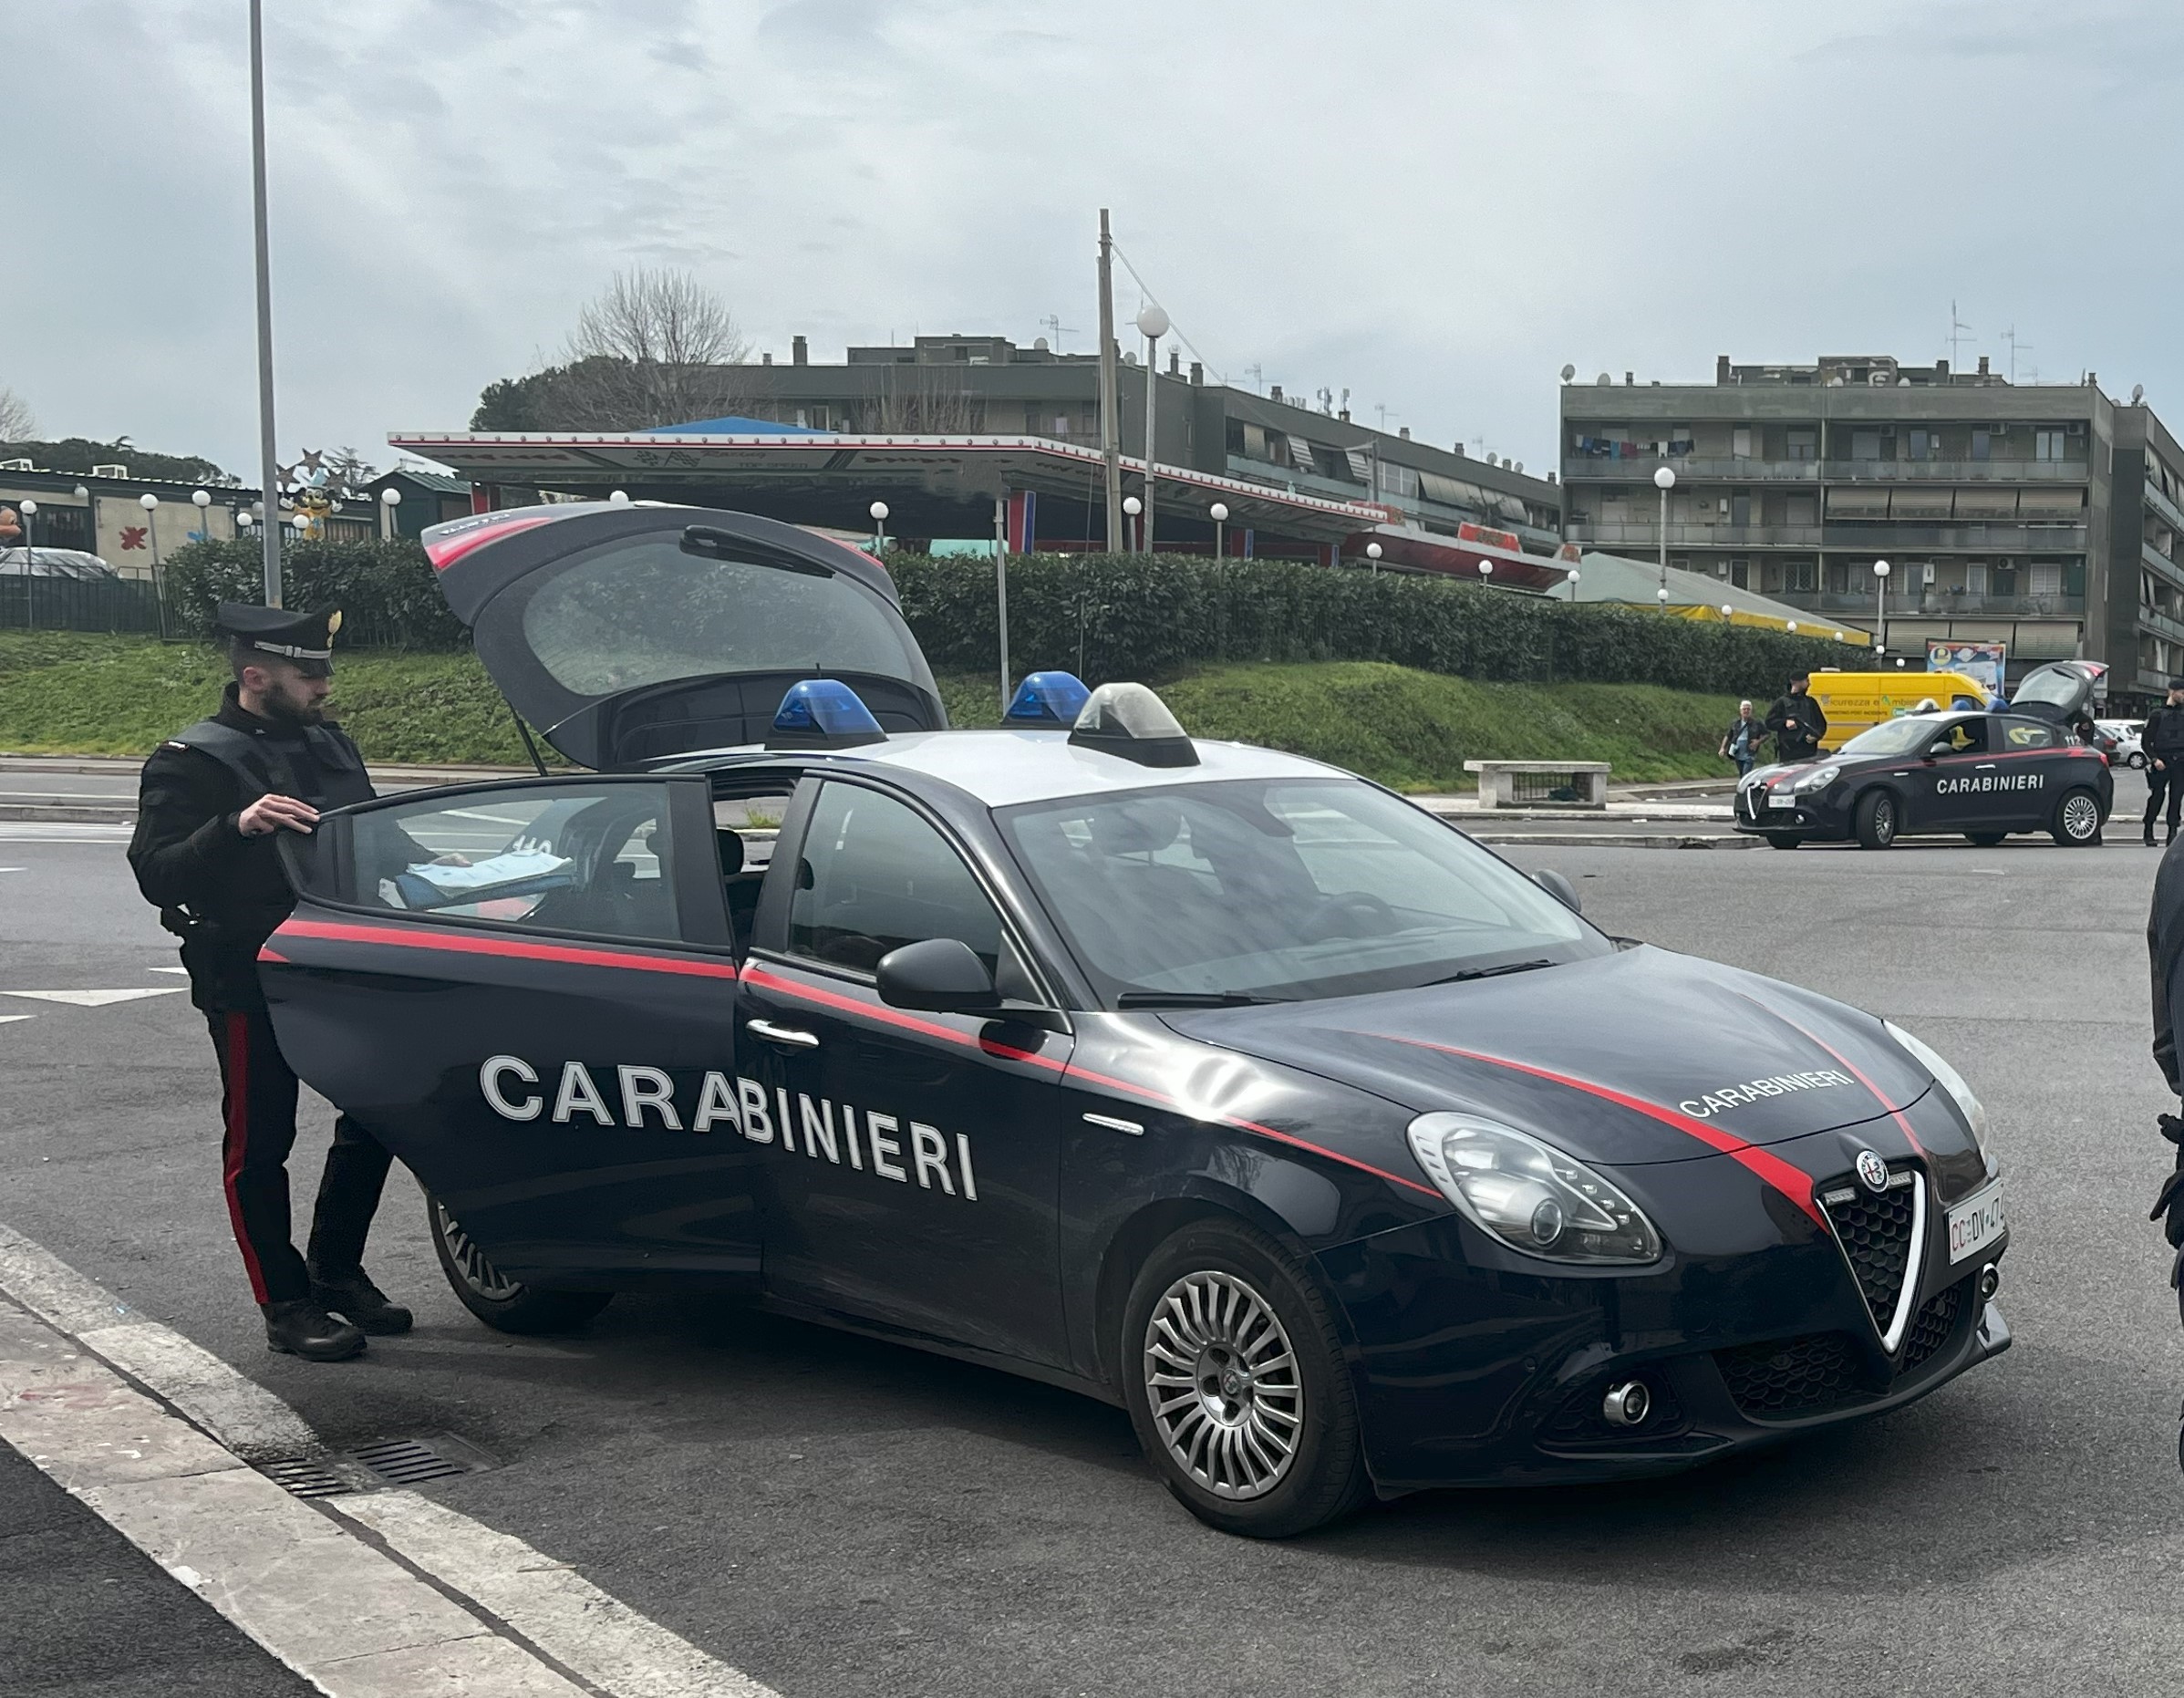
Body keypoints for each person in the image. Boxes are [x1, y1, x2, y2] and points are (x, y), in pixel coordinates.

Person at [128, 604, 409, 1362]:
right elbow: (156, 873)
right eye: (307, 674)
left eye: (324, 671)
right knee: (261, 1142)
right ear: (255, 676)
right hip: (250, 974)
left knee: (377, 1118)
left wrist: (454, 869)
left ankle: (336, 1269)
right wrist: (235, 826)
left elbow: (374, 837)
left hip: (344, 963)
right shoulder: (192, 760)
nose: (323, 686)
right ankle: (285, 1303)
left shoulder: (330, 743)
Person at [2145, 680, 2184, 847]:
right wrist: (2154, 759)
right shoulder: (2157, 715)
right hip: (2162, 761)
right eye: (2182, 692)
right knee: (2157, 797)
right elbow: (2146, 741)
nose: (2183, 696)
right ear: (2172, 692)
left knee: (2176, 797)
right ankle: (2148, 829)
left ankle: (2172, 832)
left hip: (2180, 761)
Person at [1764, 672, 1827, 765]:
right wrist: (1784, 722)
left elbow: (1821, 725)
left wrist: (1816, 736)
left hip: (1808, 751)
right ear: (1797, 682)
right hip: (1788, 751)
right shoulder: (1782, 702)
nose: (1809, 684)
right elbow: (1769, 722)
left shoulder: (1810, 702)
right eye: (1806, 681)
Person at [1719, 700, 1764, 776]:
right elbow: (1728, 735)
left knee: (1745, 774)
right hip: (1738, 752)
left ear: (1751, 711)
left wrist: (1758, 742)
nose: (1746, 711)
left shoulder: (1757, 723)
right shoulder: (1735, 723)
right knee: (1741, 774)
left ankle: (1745, 783)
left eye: (1748, 709)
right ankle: (1745, 783)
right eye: (1744, 709)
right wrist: (1722, 748)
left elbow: (1767, 734)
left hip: (1750, 752)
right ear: (1740, 711)